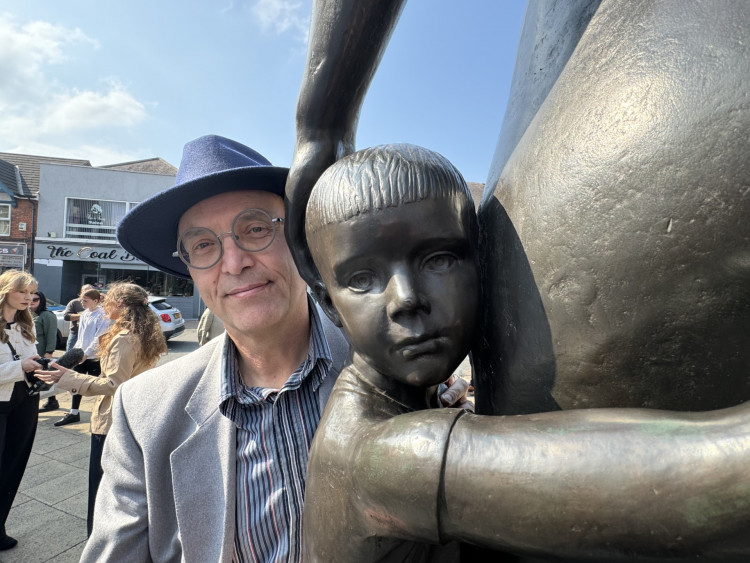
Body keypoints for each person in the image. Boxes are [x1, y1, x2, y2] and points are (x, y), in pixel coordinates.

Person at [302, 144, 750, 561]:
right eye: (362, 279)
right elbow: (697, 483)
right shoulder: (382, 456)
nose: (406, 299)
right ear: (328, 305)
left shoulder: (402, 402)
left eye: (438, 259)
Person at [84, 135, 470, 562]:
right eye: (204, 245)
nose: (234, 263)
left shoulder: (400, 368)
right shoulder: (144, 411)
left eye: (255, 229)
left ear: (302, 244)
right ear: (190, 268)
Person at [36, 283, 166, 535]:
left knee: (100, 488)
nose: (104, 304)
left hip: (111, 420)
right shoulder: (142, 332)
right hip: (133, 415)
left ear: (120, 305)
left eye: (109, 300)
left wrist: (68, 377)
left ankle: (97, 541)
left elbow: (114, 384)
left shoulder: (125, 338)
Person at [0, 270, 45, 551]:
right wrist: (22, 367)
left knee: (14, 464)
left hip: (26, 401)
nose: (29, 298)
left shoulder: (26, 325)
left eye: (32, 292)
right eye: (22, 292)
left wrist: (41, 365)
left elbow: (30, 361)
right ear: (5, 291)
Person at [54, 288, 110, 427]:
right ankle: (73, 413)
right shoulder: (85, 313)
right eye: (81, 300)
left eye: (85, 301)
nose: (82, 303)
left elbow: (99, 337)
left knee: (100, 384)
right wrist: (78, 351)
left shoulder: (102, 315)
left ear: (96, 301)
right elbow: (82, 336)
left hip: (94, 356)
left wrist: (87, 352)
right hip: (82, 354)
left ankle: (104, 413)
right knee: (75, 382)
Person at [42, 284, 95, 413]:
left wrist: (87, 352)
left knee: (89, 375)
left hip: (90, 348)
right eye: (84, 294)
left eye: (89, 293)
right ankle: (71, 406)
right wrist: (80, 316)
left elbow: (98, 336)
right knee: (70, 363)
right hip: (75, 335)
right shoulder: (76, 304)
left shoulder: (96, 313)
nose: (84, 299)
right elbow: (67, 316)